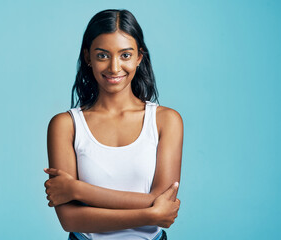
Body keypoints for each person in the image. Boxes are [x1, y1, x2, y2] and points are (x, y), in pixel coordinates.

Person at [44, 9, 183, 240]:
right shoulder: (65, 125)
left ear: (140, 57)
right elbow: (70, 220)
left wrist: (78, 190)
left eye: (125, 55)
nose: (114, 67)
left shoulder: (166, 121)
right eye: (102, 55)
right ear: (88, 57)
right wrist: (150, 214)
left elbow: (165, 203)